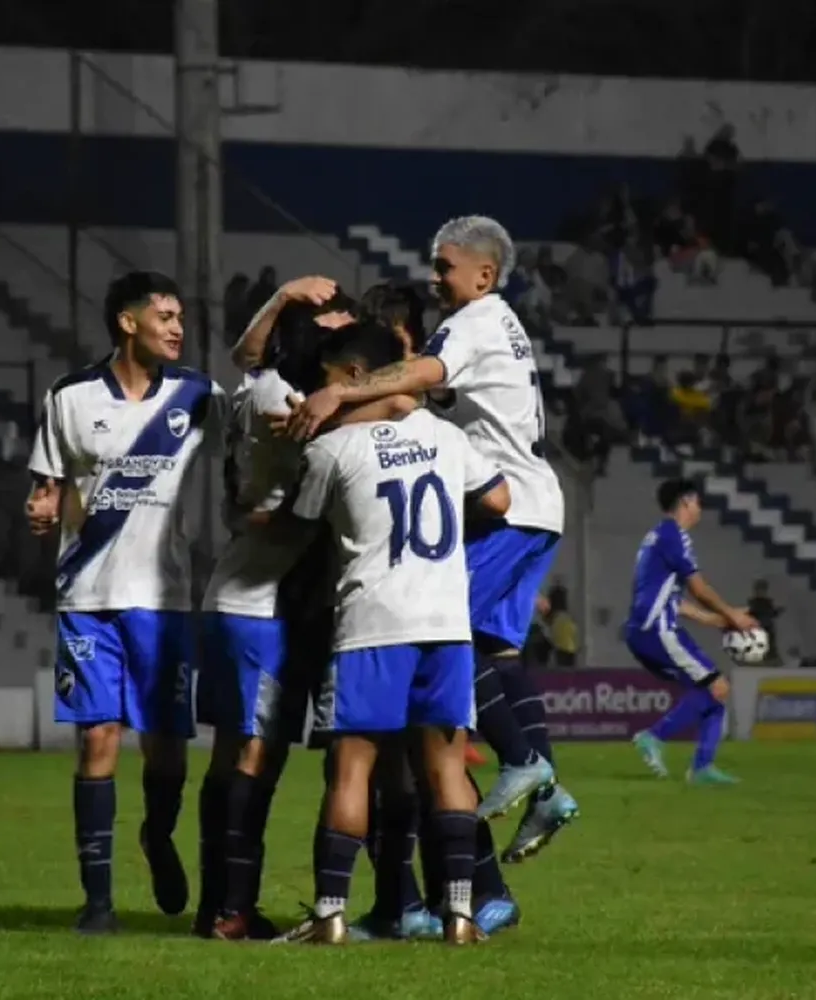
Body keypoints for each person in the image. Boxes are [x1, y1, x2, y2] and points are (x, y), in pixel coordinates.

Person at [285, 215, 576, 866]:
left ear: (484, 273)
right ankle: (546, 787)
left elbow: (420, 376)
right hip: (531, 504)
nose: (434, 276)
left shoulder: (474, 323)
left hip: (510, 505)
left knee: (447, 631)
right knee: (495, 647)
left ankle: (525, 761)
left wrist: (341, 388)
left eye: (445, 266)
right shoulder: (498, 323)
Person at [270, 322, 512, 945]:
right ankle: (459, 916)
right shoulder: (445, 436)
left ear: (354, 377)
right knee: (447, 770)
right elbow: (501, 500)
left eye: (326, 383)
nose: (320, 398)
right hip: (446, 625)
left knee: (352, 772)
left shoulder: (332, 452)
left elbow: (295, 532)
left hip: (372, 625)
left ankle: (329, 917)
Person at [195, 280, 417, 940]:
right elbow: (400, 406)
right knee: (252, 758)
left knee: (261, 756)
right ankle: (229, 909)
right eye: (334, 325)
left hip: (283, 599)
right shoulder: (288, 400)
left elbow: (248, 355)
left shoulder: (266, 383)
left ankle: (226, 905)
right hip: (258, 600)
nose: (347, 334)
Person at [25, 271, 226, 935]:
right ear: (127, 322)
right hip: (87, 594)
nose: (177, 326)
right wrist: (43, 501)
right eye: (164, 315)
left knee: (167, 750)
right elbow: (47, 481)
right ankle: (98, 902)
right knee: (97, 739)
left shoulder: (199, 395)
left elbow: (247, 446)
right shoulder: (71, 397)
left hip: (164, 600)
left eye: (180, 316)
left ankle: (158, 835)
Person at [625, 479, 758, 785]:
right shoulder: (675, 535)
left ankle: (703, 768)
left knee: (715, 691)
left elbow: (675, 599)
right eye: (698, 503)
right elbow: (698, 588)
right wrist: (732, 614)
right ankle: (655, 738)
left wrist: (717, 620)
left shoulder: (655, 537)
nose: (699, 510)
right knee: (716, 687)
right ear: (686, 501)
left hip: (644, 630)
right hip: (657, 630)